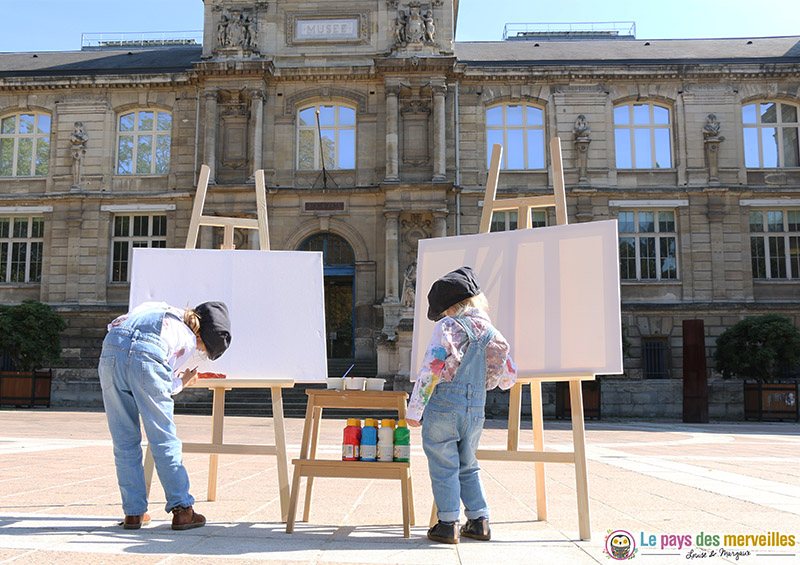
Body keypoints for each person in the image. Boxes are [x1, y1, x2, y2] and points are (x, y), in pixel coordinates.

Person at [98, 301, 232, 530]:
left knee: (124, 441)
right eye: (203, 349)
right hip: (147, 355)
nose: (199, 352)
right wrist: (184, 381)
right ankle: (182, 509)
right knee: (163, 438)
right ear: (201, 337)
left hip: (111, 350)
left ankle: (134, 513)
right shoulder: (188, 338)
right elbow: (163, 383)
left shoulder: (159, 308)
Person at [407, 267, 516, 544]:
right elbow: (509, 377)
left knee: (443, 463)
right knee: (468, 463)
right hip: (476, 409)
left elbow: (431, 368)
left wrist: (415, 410)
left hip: (444, 404)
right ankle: (479, 521)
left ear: (453, 307)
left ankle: (447, 523)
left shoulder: (447, 327)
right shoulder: (495, 334)